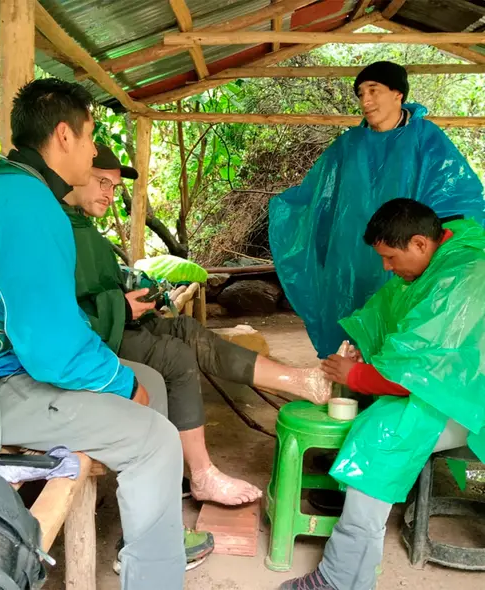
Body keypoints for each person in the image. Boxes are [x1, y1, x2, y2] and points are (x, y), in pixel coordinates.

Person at [0, 78, 208, 589]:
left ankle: (144, 535)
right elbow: (52, 349)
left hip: (5, 369)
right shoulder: (30, 204)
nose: (92, 151)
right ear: (64, 135)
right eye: (90, 136)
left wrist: (125, 379)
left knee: (149, 378)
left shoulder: (10, 185)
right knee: (156, 437)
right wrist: (118, 383)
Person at [65, 143, 332, 508]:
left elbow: (103, 285)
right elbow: (65, 311)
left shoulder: (85, 228)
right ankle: (202, 474)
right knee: (175, 356)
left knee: (187, 330)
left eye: (114, 187)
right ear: (76, 169)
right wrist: (120, 308)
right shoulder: (56, 226)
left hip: (115, 323)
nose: (110, 195)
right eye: (102, 183)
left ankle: (301, 380)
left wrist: (136, 300)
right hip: (92, 340)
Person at [280, 199, 485, 590]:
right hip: (453, 391)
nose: (387, 268)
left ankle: (337, 579)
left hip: (473, 403)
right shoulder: (441, 257)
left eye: (391, 257)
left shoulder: (463, 277)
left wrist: (358, 376)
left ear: (420, 243)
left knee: (379, 438)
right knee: (379, 424)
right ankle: (351, 574)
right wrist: (366, 355)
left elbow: (420, 375)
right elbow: (397, 324)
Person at [269, 61, 485, 359]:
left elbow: (458, 197)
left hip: (404, 258)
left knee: (397, 327)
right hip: (349, 262)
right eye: (360, 93)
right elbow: (318, 197)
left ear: (398, 94)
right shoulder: (348, 145)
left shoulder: (426, 139)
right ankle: (349, 378)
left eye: (373, 90)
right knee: (349, 330)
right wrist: (285, 209)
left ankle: (384, 377)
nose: (365, 100)